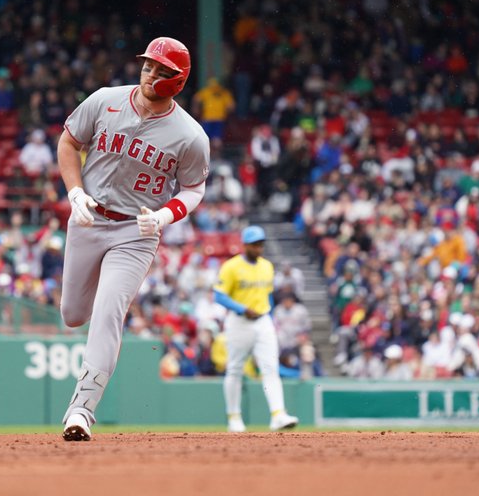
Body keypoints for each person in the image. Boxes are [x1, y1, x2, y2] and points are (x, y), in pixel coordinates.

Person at [58, 36, 210, 441]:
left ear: (178, 80)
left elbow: (194, 189)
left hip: (135, 232)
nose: (150, 74)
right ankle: (84, 390)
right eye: (148, 65)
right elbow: (69, 142)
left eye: (161, 70)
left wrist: (163, 216)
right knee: (73, 314)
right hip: (88, 218)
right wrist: (75, 193)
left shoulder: (190, 135)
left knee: (108, 312)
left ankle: (81, 410)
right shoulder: (106, 99)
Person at [214, 225, 299, 433]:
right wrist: (242, 308)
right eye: (254, 244)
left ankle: (278, 414)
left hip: (263, 321)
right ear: (244, 245)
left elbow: (268, 294)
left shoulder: (267, 266)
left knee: (270, 368)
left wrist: (268, 315)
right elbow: (219, 296)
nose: (258, 248)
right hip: (239, 321)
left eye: (261, 244)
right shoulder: (231, 266)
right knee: (234, 369)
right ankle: (234, 417)